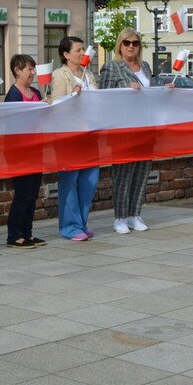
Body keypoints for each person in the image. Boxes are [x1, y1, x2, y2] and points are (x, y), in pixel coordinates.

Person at [98, 28, 152, 234]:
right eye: (127, 42)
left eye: (135, 43)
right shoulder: (111, 67)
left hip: (145, 126)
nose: (131, 46)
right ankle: (119, 217)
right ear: (120, 45)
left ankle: (134, 214)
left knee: (142, 172)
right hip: (122, 128)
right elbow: (103, 97)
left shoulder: (145, 67)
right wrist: (124, 89)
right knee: (123, 174)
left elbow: (150, 91)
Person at [52, 35, 100, 240]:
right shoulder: (60, 75)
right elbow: (56, 104)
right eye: (78, 50)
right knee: (69, 181)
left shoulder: (89, 74)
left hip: (89, 133)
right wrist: (71, 94)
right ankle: (70, 226)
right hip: (69, 134)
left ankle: (81, 221)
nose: (82, 53)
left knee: (90, 179)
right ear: (66, 54)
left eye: (83, 50)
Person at [3, 54, 46, 249]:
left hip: (36, 150)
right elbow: (12, 124)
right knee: (22, 194)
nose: (33, 73)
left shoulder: (36, 92)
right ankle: (14, 235)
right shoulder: (12, 95)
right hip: (19, 153)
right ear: (17, 70)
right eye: (29, 69)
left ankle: (27, 233)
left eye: (33, 69)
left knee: (33, 193)